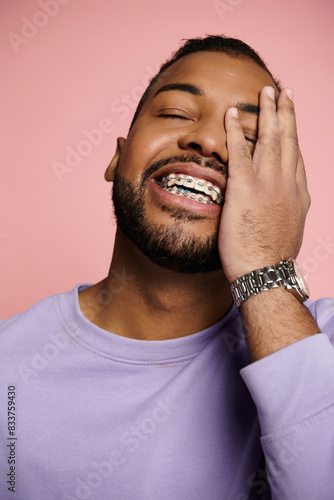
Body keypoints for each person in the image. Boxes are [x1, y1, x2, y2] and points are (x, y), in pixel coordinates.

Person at [1, 35, 334, 500]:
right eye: (177, 113)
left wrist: (266, 269)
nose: (210, 142)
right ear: (117, 157)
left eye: (249, 140)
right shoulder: (8, 368)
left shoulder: (321, 346)